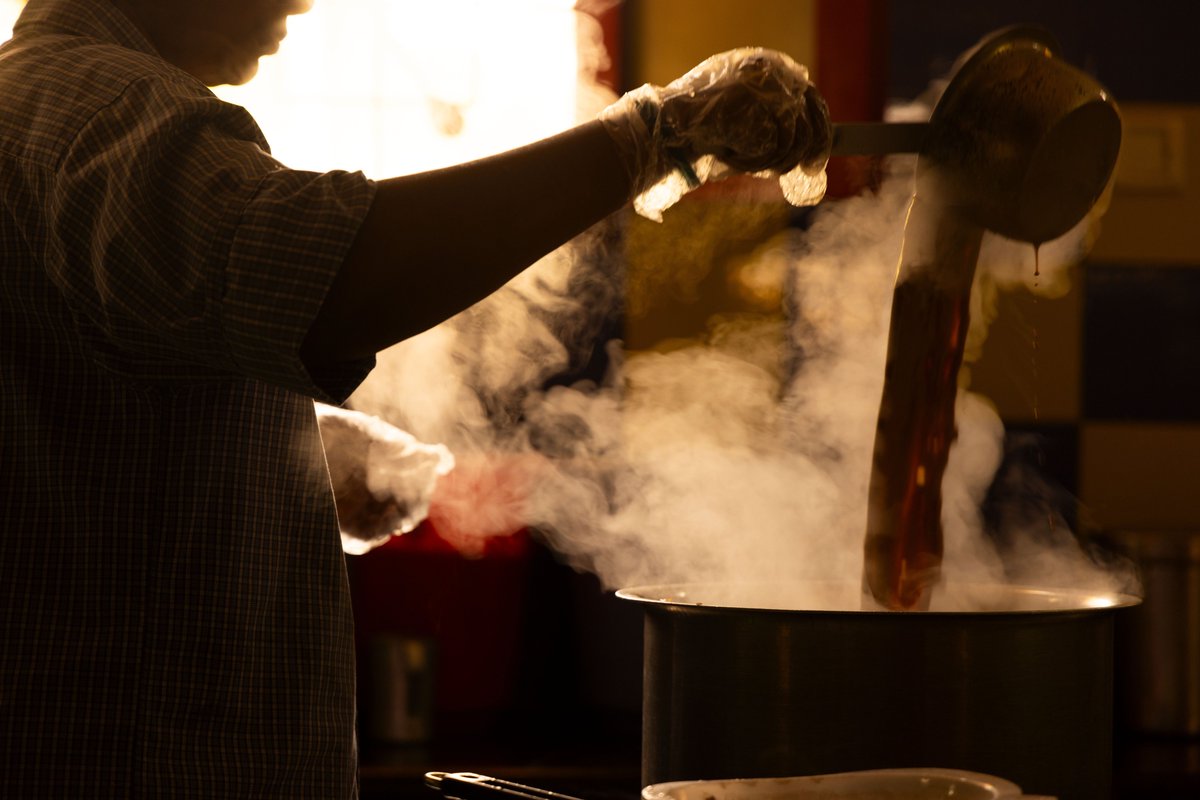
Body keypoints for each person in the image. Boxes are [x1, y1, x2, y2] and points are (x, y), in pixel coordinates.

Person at [0, 0, 831, 796]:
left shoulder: (33, 101)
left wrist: (292, 450)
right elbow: (335, 283)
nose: (304, 3)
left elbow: (77, 386)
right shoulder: (104, 107)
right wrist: (657, 133)